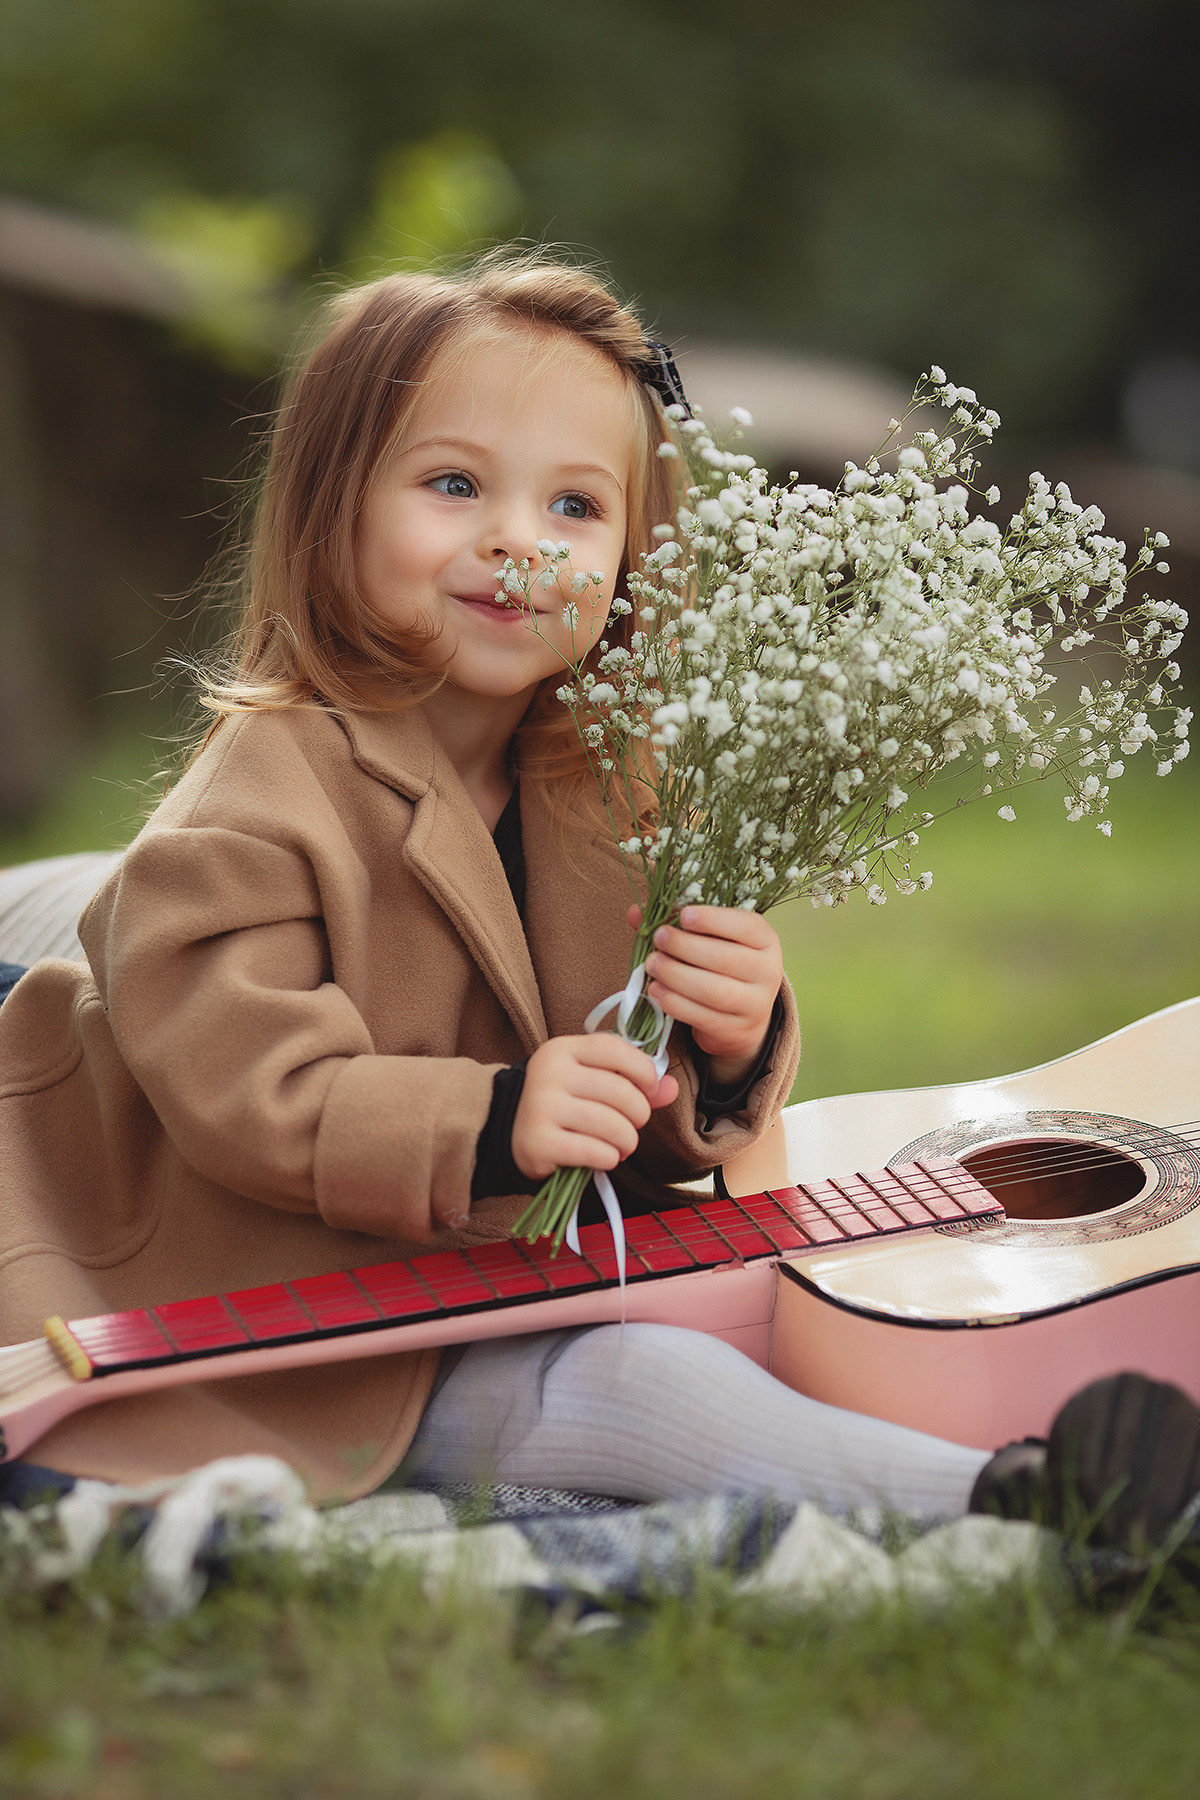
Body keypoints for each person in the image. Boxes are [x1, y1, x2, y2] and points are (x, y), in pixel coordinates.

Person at [0, 252, 1193, 1545]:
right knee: (635, 1386)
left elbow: (631, 1112)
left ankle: (1047, 1494)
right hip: (260, 1293)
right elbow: (246, 1090)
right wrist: (496, 1119)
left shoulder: (605, 784)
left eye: (575, 505)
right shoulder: (266, 782)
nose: (518, 539)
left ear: (633, 556)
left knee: (703, 1346)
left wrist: (723, 1045)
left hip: (503, 1270)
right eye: (455, 484)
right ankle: (1005, 1503)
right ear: (330, 508)